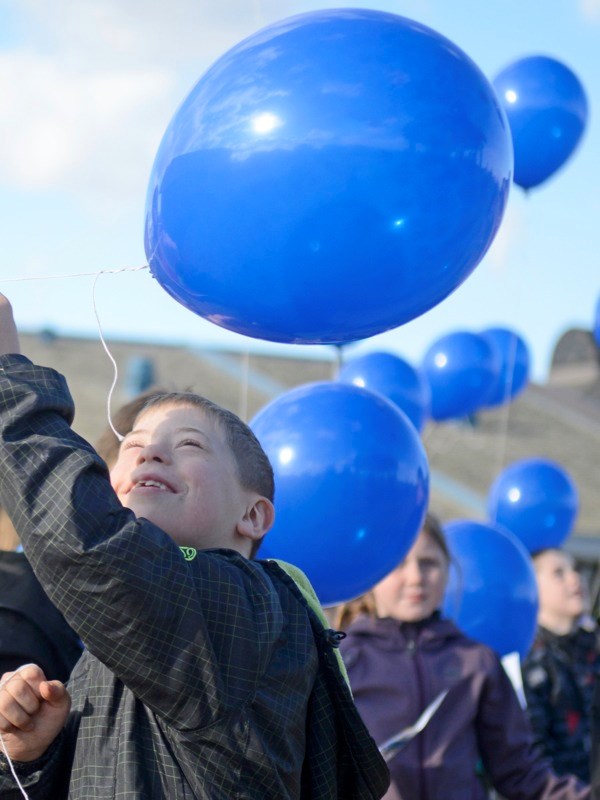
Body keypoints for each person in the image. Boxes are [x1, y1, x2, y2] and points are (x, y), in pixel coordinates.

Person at [0, 294, 389, 800]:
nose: (150, 452)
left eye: (188, 445)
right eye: (133, 446)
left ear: (252, 515)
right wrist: (34, 756)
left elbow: (95, 548)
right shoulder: (117, 639)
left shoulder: (252, 606)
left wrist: (9, 380)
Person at [337, 513, 590, 800]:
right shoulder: (344, 660)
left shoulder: (478, 661)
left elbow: (520, 772)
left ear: (448, 570)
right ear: (374, 571)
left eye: (429, 563)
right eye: (398, 564)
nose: (416, 577)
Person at [522, 548, 600, 783]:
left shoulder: (593, 647)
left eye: (575, 569)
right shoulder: (528, 660)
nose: (575, 579)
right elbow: (533, 753)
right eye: (559, 573)